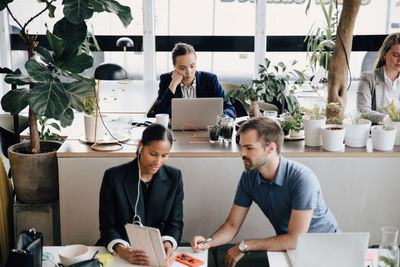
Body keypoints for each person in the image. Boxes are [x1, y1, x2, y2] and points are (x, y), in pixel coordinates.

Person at [190, 117, 338, 267]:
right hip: (291, 249)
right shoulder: (249, 177)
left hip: (326, 249)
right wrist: (208, 242)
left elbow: (295, 239)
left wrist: (246, 245)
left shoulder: (302, 179)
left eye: (249, 148)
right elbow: (232, 225)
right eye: (241, 147)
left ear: (271, 148)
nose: (242, 153)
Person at [97, 124, 183, 266]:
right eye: (153, 154)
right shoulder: (113, 177)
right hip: (120, 254)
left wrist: (168, 243)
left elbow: (175, 223)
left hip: (157, 256)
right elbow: (107, 227)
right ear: (140, 146)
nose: (158, 162)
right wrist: (122, 250)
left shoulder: (175, 177)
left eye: (164, 155)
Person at [154, 42, 236, 118]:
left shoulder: (210, 80)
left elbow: (229, 108)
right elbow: (159, 113)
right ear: (174, 66)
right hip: (177, 130)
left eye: (192, 66)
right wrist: (173, 84)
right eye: (182, 68)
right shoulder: (166, 79)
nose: (189, 72)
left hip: (206, 129)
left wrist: (220, 119)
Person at [357, 32, 400, 123]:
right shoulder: (368, 78)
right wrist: (388, 119)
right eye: (395, 55)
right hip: (377, 132)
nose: (399, 60)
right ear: (384, 54)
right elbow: (363, 111)